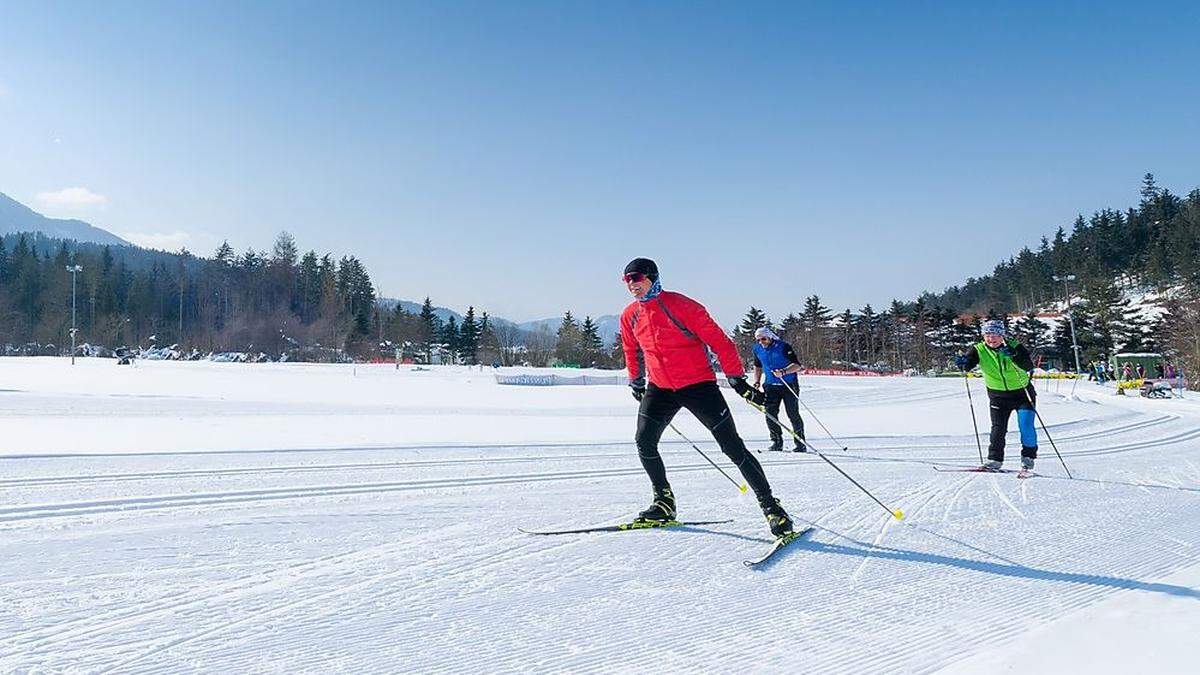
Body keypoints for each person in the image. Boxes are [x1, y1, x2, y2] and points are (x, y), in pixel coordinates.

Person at [618, 257, 794, 537]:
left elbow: (721, 343)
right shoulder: (630, 315)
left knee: (732, 447)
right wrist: (636, 380)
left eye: (636, 278)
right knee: (644, 440)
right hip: (661, 388)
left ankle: (772, 508)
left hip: (698, 385)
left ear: (652, 277)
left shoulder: (682, 306)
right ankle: (663, 503)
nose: (631, 285)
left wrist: (736, 378)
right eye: (626, 280)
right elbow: (631, 349)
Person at [954, 320, 1039, 472]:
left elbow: (1028, 365)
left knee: (1025, 425)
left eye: (994, 335)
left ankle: (1028, 458)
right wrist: (962, 363)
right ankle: (994, 460)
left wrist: (1013, 356)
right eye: (987, 335)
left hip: (1022, 393)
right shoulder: (978, 349)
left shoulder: (1014, 346)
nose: (991, 339)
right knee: (998, 429)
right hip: (998, 395)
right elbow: (967, 365)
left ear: (1002, 336)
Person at [751, 326, 807, 452]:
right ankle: (776, 442)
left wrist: (784, 372)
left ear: (770, 337)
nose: (761, 342)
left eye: (763, 339)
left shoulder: (783, 346)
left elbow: (797, 366)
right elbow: (757, 366)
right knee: (770, 414)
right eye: (758, 340)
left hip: (788, 384)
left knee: (792, 414)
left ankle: (800, 443)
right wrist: (757, 381)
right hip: (770, 386)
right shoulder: (757, 349)